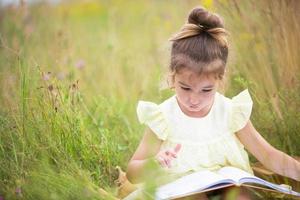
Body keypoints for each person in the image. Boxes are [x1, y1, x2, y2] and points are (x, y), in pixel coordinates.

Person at [125, 6, 300, 200]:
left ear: (220, 80)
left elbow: (268, 155)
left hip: (226, 183)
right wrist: (154, 163)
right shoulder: (164, 117)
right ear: (172, 77)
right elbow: (132, 172)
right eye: (185, 88)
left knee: (240, 196)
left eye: (206, 90)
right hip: (181, 189)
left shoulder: (230, 112)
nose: (194, 99)